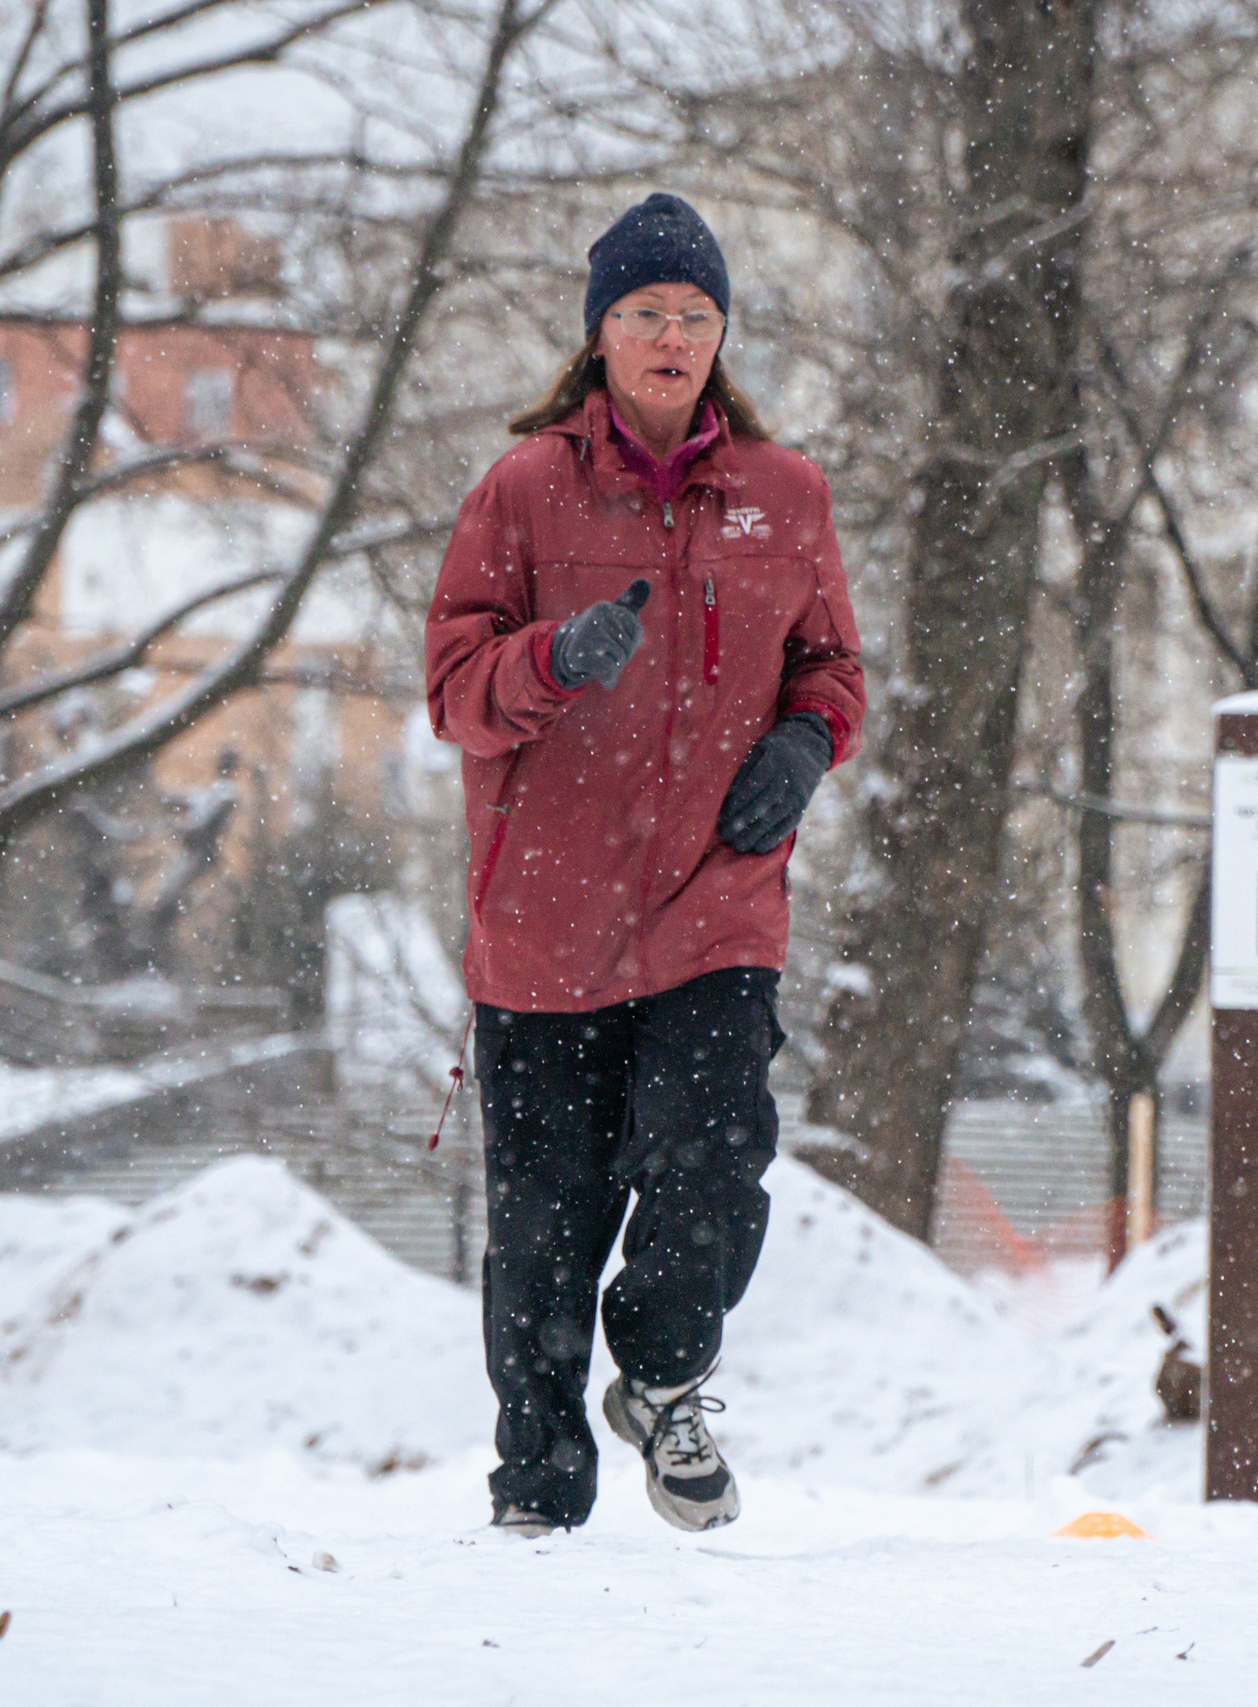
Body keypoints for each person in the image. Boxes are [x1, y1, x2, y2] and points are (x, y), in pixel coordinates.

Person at [425, 194, 866, 1537]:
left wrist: (805, 746)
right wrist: (552, 661)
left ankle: (666, 1370)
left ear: (720, 335)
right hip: (545, 916)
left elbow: (832, 669)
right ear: (600, 335)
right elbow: (452, 690)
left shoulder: (784, 497)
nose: (672, 337)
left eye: (694, 316)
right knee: (546, 1229)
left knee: (716, 1157)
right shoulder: (523, 490)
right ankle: (539, 1498)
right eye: (645, 315)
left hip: (711, 906)